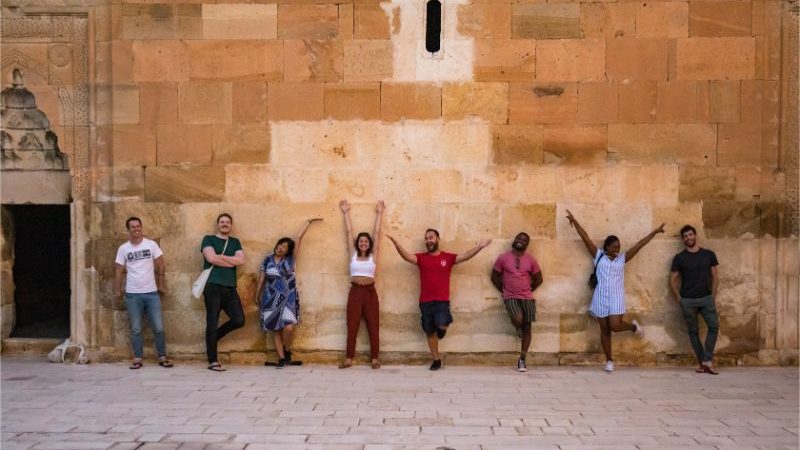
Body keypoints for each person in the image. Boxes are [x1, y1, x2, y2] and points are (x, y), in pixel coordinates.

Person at [566, 210, 664, 373]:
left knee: (615, 326)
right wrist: (575, 222)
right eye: (614, 247)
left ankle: (633, 327)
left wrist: (655, 232)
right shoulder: (598, 256)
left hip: (616, 297)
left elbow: (639, 245)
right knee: (604, 330)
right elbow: (585, 238)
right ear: (606, 247)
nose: (617, 250)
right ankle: (609, 361)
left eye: (618, 247)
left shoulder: (622, 259)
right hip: (600, 296)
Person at [387, 230, 491, 370]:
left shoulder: (447, 257)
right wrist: (397, 244)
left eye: (431, 237)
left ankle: (441, 328)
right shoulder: (421, 258)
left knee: (442, 324)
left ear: (437, 239)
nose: (428, 240)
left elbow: (465, 256)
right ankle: (436, 360)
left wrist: (480, 246)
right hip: (425, 302)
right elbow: (407, 257)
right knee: (430, 332)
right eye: (426, 238)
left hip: (441, 301)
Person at [255, 218, 322, 369]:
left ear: (288, 250)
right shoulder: (267, 260)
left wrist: (308, 222)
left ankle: (286, 350)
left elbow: (298, 238)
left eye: (284, 247)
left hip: (288, 297)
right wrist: (256, 295)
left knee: (288, 327)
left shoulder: (291, 260)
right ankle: (281, 358)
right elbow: (261, 279)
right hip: (270, 298)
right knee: (276, 330)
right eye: (280, 245)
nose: (280, 248)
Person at [114, 217, 173, 369]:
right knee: (136, 328)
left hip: (152, 293)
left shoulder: (151, 244)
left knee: (159, 327)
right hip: (133, 294)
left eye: (138, 226)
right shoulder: (123, 249)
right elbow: (119, 271)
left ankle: (162, 356)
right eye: (132, 227)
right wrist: (117, 290)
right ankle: (138, 358)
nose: (136, 229)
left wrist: (161, 284)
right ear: (128, 230)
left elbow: (161, 265)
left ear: (141, 227)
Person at [338, 200, 384, 370]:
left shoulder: (373, 256)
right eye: (361, 241)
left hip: (370, 292)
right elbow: (349, 232)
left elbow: (377, 233)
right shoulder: (353, 255)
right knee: (352, 325)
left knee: (373, 325)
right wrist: (346, 213)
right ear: (358, 243)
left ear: (369, 244)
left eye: (366, 241)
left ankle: (374, 358)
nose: (363, 243)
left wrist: (379, 214)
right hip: (355, 292)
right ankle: (349, 358)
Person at [670, 225, 720, 375]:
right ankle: (702, 363)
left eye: (690, 234)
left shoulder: (709, 254)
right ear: (683, 239)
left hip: (706, 298)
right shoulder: (680, 258)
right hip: (688, 300)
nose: (688, 238)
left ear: (695, 235)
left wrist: (713, 296)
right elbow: (672, 280)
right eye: (685, 236)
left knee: (714, 326)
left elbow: (715, 277)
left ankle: (707, 359)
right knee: (693, 331)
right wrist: (679, 299)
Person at [491, 232, 543, 372]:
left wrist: (530, 289)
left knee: (528, 327)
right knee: (518, 319)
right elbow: (494, 276)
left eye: (524, 239)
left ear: (527, 244)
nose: (520, 240)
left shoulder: (531, 260)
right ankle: (518, 327)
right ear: (514, 240)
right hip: (510, 296)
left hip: (527, 297)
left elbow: (539, 278)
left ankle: (522, 359)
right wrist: (503, 290)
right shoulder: (503, 258)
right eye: (519, 238)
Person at [201, 213, 245, 372]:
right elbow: (211, 259)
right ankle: (212, 360)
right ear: (218, 224)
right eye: (222, 222)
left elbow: (241, 261)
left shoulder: (235, 242)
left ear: (231, 225)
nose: (225, 224)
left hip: (230, 287)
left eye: (227, 222)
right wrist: (229, 260)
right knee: (212, 321)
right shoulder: (208, 239)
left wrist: (220, 257)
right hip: (212, 286)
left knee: (239, 319)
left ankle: (212, 338)